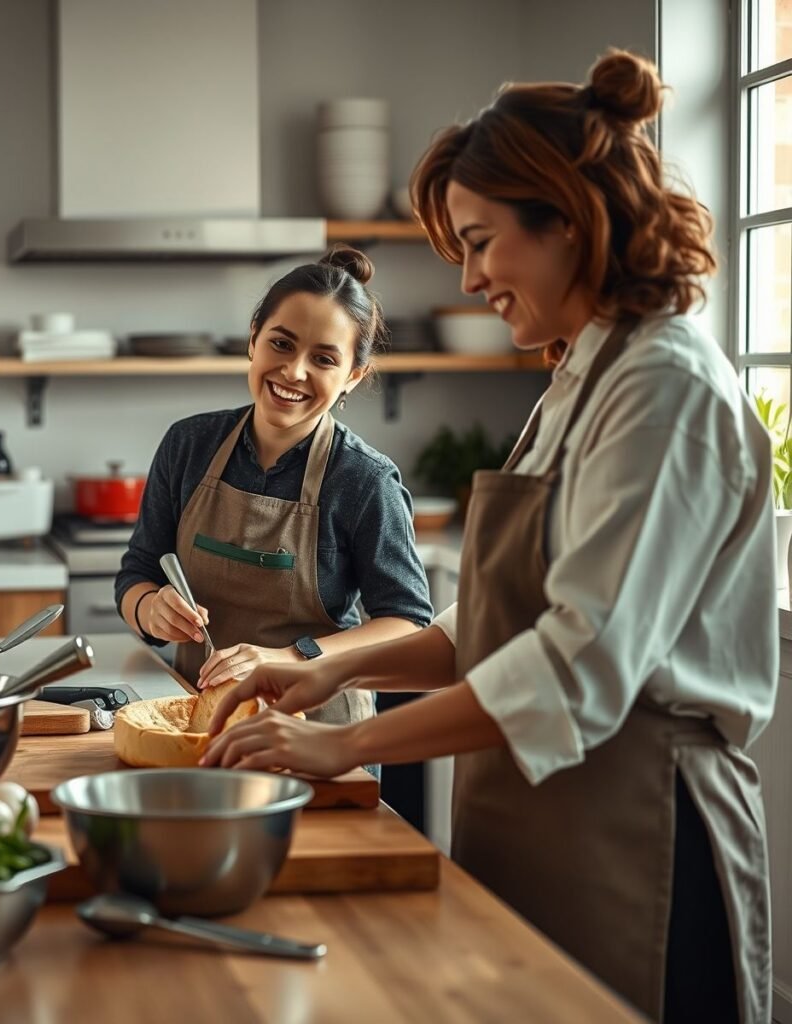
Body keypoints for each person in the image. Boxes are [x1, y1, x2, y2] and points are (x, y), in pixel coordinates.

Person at [202, 50, 777, 1023]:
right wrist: (332, 674)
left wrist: (346, 747)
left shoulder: (662, 387)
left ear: (567, 219)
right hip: (549, 815)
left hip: (641, 830)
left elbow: (575, 663)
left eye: (479, 241)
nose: (467, 278)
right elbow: (505, 622)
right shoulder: (587, 376)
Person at [115, 245, 432, 724]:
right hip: (200, 718)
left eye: (324, 359)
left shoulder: (364, 479)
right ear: (253, 340)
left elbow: (407, 625)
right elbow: (137, 573)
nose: (294, 371)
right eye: (281, 344)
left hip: (322, 729)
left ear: (353, 377)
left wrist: (288, 658)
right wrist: (149, 608)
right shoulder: (188, 445)